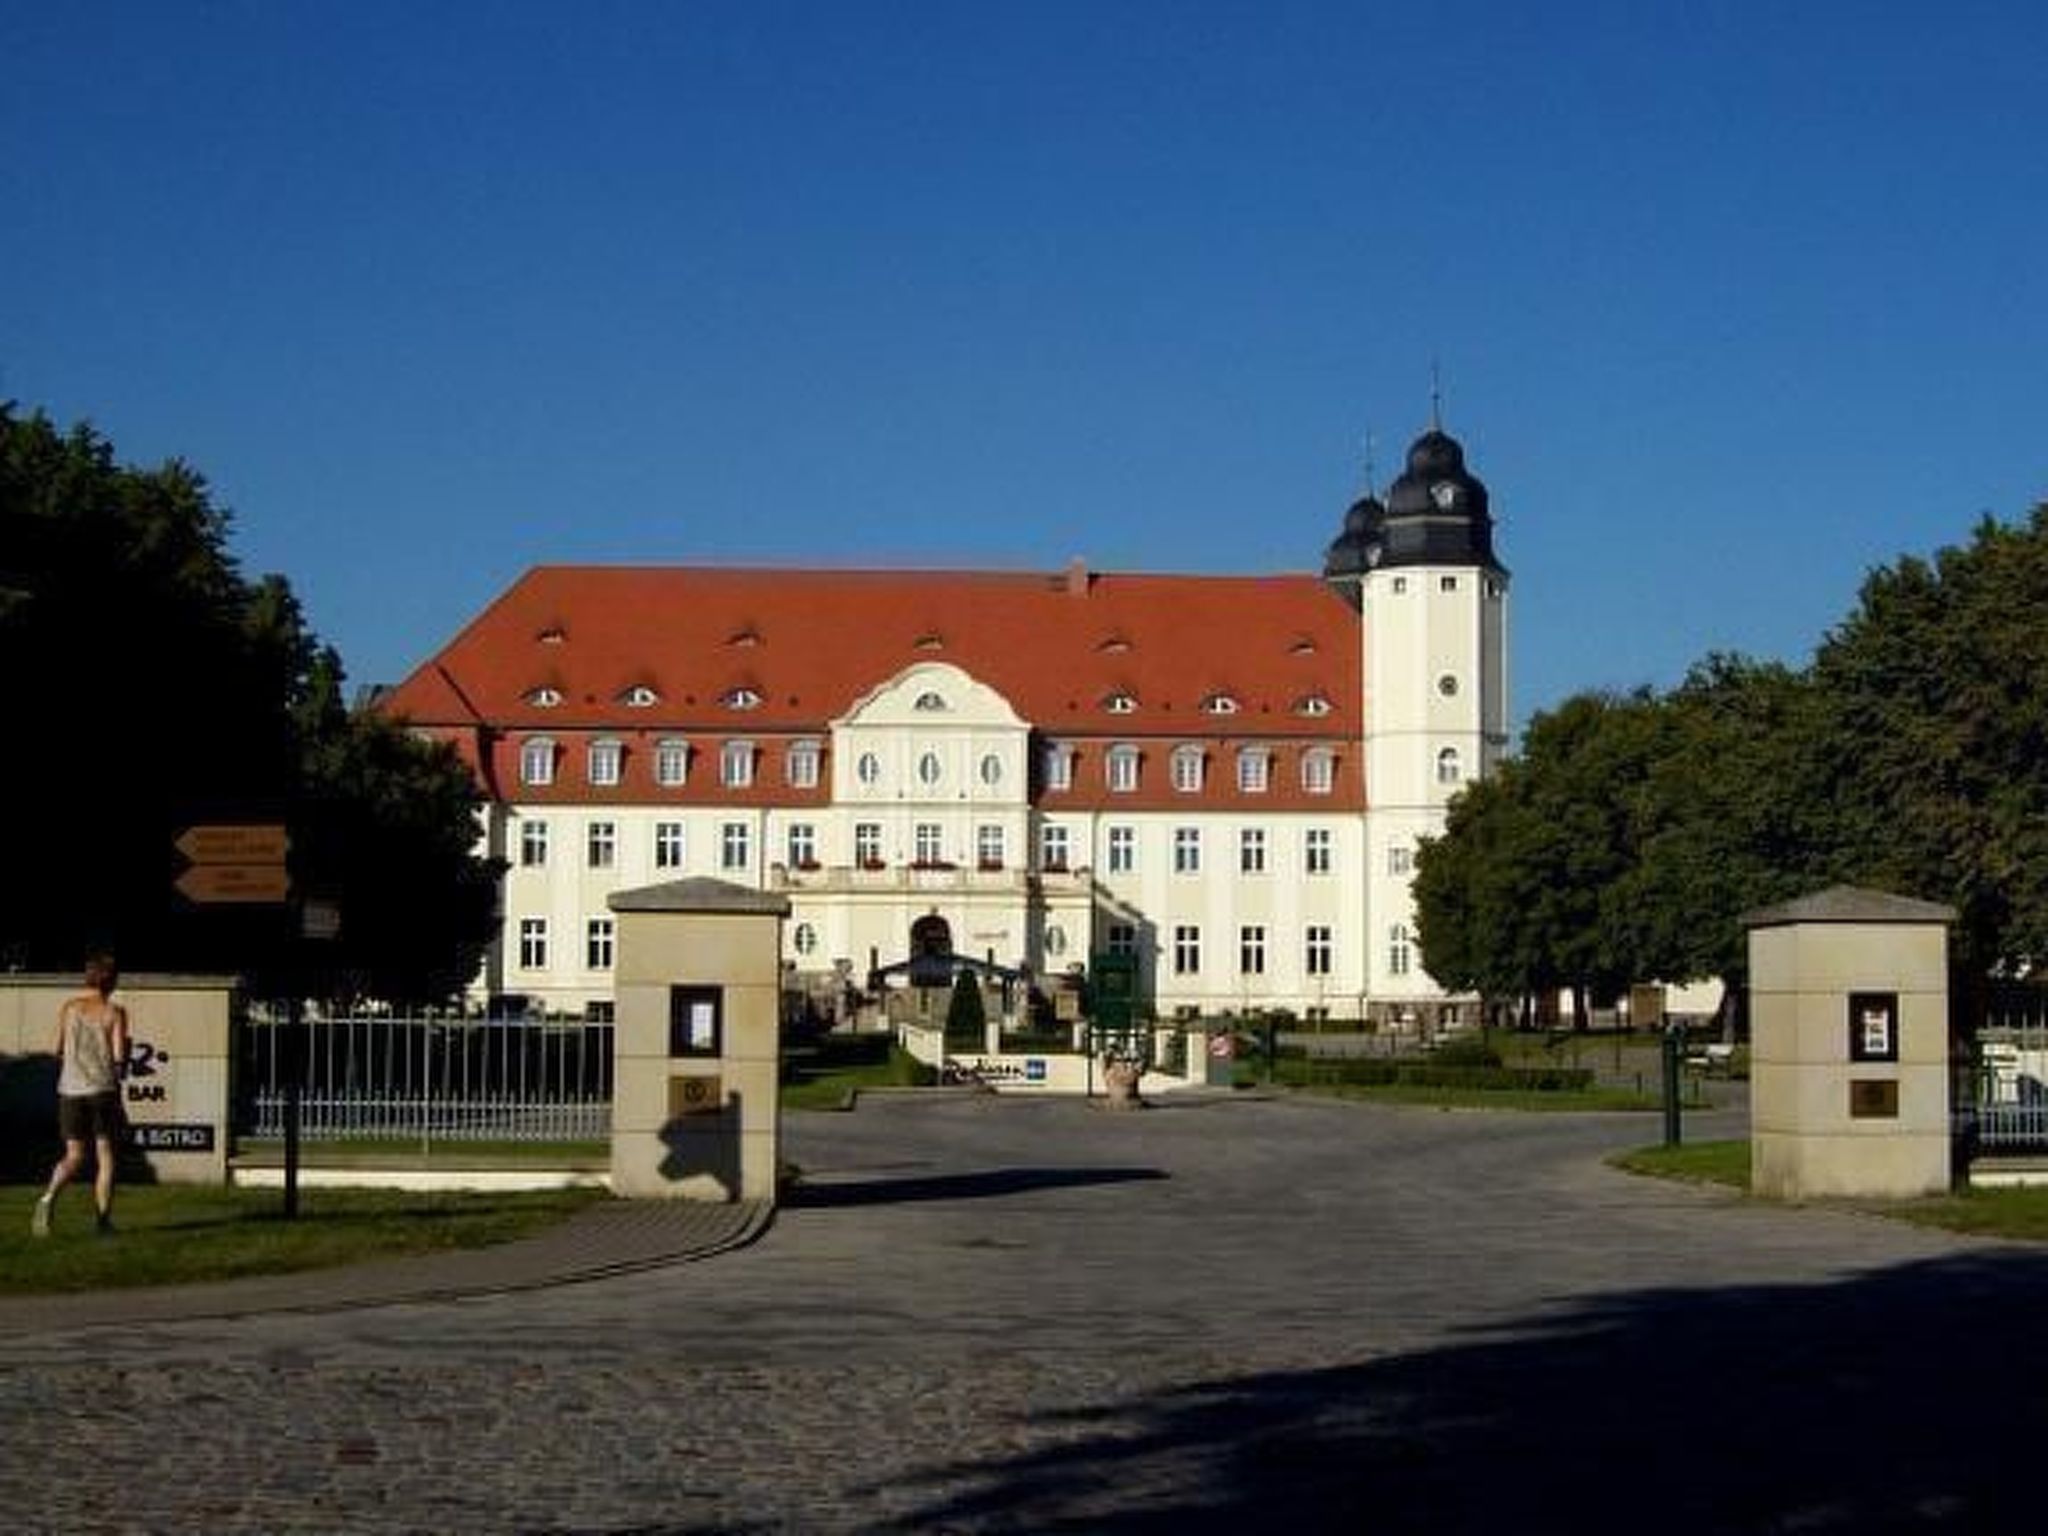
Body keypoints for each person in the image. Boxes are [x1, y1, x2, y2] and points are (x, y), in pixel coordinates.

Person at [32, 953, 130, 1237]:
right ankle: (103, 1221)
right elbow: (119, 1059)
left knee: (73, 1155)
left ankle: (48, 1197)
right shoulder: (115, 1012)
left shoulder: (70, 1008)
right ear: (112, 980)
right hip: (102, 1090)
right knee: (105, 1154)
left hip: (70, 1090)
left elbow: (56, 1048)